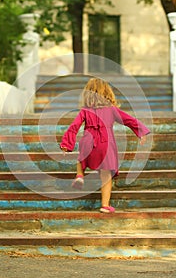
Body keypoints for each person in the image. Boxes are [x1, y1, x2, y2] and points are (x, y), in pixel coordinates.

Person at [60, 77, 150, 213]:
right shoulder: (112, 110)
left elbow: (74, 126)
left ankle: (79, 175)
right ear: (107, 93)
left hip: (88, 141)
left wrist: (66, 144)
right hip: (105, 144)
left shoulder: (85, 110)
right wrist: (141, 132)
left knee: (82, 155)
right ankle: (105, 205)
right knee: (106, 175)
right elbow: (129, 120)